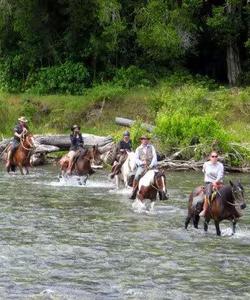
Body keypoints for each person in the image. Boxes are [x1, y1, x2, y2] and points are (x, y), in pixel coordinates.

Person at [129, 135, 157, 199]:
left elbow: (155, 157)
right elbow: (136, 159)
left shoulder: (151, 147)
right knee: (137, 175)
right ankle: (133, 191)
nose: (145, 140)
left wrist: (151, 165)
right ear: (141, 140)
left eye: (146, 139)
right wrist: (142, 162)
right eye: (144, 139)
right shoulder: (138, 149)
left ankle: (162, 193)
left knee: (159, 176)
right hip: (142, 166)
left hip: (151, 166)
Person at [199, 150, 224, 217]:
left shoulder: (220, 165)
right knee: (209, 194)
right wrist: (212, 182)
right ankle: (205, 210)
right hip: (209, 182)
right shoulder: (206, 164)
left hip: (218, 182)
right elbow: (204, 172)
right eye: (213, 156)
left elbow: (220, 175)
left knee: (229, 191)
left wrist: (216, 181)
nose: (214, 158)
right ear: (210, 157)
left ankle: (233, 210)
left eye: (216, 156)